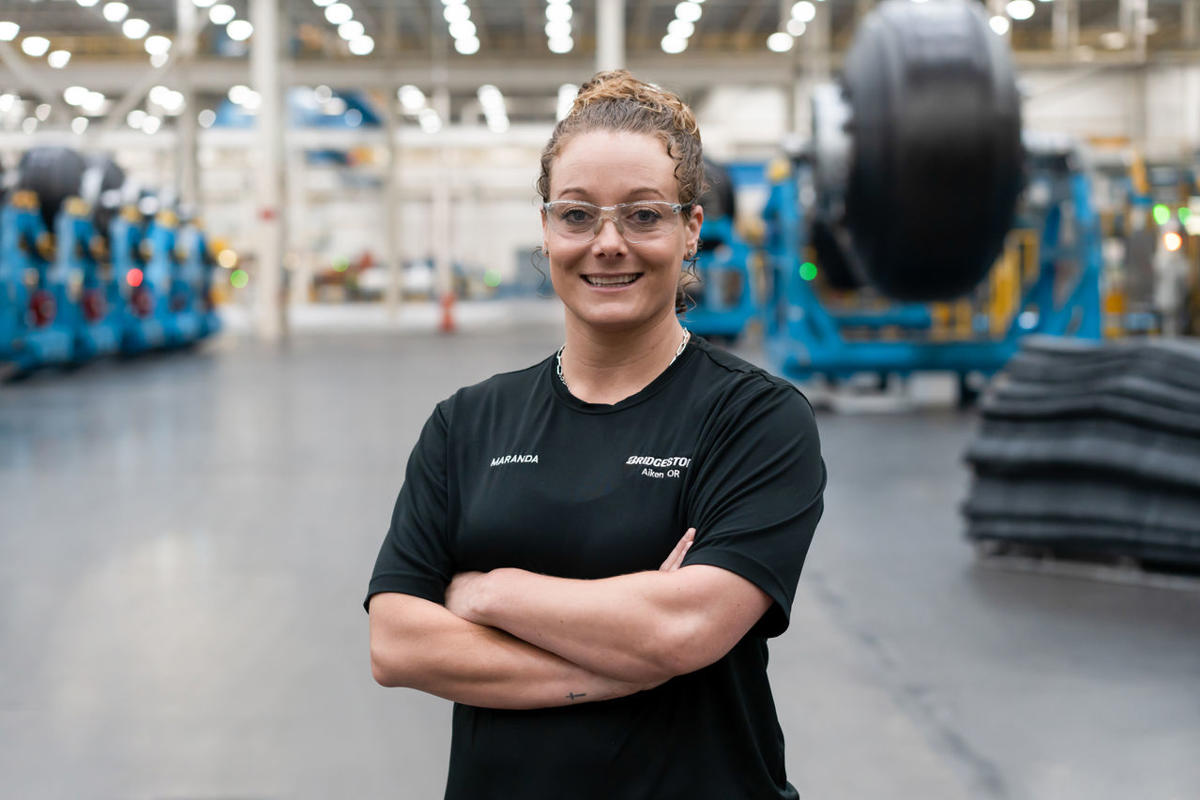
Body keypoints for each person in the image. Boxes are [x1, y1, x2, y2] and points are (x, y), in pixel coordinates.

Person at [365, 70, 826, 799]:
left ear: (691, 231)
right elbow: (397, 642)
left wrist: (494, 593)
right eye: (577, 215)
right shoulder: (468, 421)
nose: (607, 243)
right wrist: (627, 653)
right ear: (547, 231)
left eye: (643, 215)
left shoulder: (755, 418)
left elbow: (683, 631)